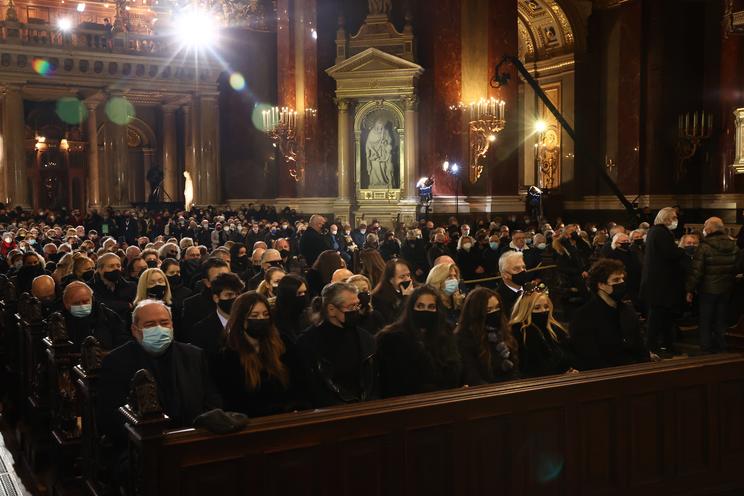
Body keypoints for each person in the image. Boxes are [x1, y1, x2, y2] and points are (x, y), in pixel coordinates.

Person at [97, 300, 221, 462]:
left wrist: (199, 433)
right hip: (142, 449)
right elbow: (111, 416)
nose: (159, 328)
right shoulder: (116, 361)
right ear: (135, 330)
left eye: (164, 323)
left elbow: (212, 399)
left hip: (194, 440)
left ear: (172, 326)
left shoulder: (194, 355)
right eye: (150, 324)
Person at [210, 291, 304, 416]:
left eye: (265, 315)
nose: (261, 319)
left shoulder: (283, 344)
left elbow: (298, 382)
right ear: (240, 319)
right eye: (254, 315)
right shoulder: (227, 355)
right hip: (251, 422)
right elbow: (231, 398)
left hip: (287, 417)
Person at [297, 282, 377, 407]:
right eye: (351, 307)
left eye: (357, 305)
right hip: (329, 412)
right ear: (331, 309)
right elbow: (310, 385)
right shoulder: (308, 341)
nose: (357, 311)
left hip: (365, 408)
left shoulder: (365, 338)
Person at [376, 286, 461, 398]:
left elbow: (453, 369)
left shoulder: (444, 333)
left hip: (444, 399)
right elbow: (399, 381)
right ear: (411, 308)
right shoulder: (393, 338)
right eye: (420, 306)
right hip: (407, 403)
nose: (425, 311)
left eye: (431, 307)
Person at [570, 259, 652, 370]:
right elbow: (590, 358)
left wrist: (645, 365)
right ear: (600, 285)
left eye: (622, 279)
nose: (622, 283)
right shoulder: (583, 316)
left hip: (634, 370)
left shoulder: (626, 310)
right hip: (608, 376)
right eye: (616, 280)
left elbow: (639, 345)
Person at [686, 217, 741, 353]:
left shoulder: (704, 246)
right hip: (726, 288)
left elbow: (697, 271)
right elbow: (737, 268)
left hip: (707, 290)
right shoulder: (734, 245)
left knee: (706, 320)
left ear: (709, 229)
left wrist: (689, 289)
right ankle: (722, 346)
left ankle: (706, 348)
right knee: (721, 319)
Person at [640, 207, 685, 354]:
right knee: (657, 317)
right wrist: (682, 249)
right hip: (660, 284)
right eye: (673, 217)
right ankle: (653, 347)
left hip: (657, 282)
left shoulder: (655, 231)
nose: (675, 220)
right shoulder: (661, 232)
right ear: (666, 218)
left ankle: (665, 345)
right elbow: (670, 253)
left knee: (662, 317)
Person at [509, 284, 575, 377]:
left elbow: (569, 355)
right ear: (527, 309)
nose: (543, 311)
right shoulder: (520, 332)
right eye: (537, 308)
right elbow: (531, 368)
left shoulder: (555, 328)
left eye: (546, 306)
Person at [456, 287, 518, 385]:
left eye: (497, 307)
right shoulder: (464, 337)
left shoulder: (503, 331)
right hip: (486, 393)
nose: (495, 313)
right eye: (488, 310)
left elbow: (514, 365)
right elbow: (472, 376)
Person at [62, 281, 128, 349]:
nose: (82, 306)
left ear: (92, 299)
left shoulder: (107, 315)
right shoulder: (59, 320)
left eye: (85, 302)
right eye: (76, 303)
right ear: (66, 304)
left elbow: (123, 341)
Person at [189, 272, 245, 349]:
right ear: (216, 298)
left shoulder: (248, 322)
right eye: (229, 295)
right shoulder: (201, 330)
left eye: (238, 294)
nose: (235, 299)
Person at [179, 258, 230, 341]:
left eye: (227, 276)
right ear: (207, 282)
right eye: (218, 278)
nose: (225, 281)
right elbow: (188, 337)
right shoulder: (191, 305)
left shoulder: (239, 300)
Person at [90, 252, 136, 321]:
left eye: (118, 266)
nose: (116, 269)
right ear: (100, 269)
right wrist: (125, 305)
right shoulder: (90, 287)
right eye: (111, 266)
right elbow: (97, 306)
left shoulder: (131, 286)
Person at [371, 258, 415, 325]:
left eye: (408, 275)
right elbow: (392, 322)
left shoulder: (415, 288)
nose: (408, 279)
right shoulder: (379, 297)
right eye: (402, 277)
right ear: (391, 280)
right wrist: (406, 298)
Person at [274, 274, 311, 341]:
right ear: (288, 294)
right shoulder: (275, 321)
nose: (303, 296)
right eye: (299, 293)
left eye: (305, 292)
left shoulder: (308, 315)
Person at [497, 251, 531, 317]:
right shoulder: (498, 298)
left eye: (524, 267)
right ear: (504, 274)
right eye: (516, 269)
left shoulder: (531, 289)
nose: (522, 271)